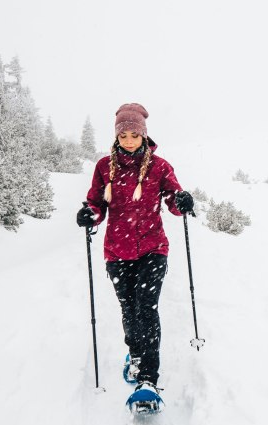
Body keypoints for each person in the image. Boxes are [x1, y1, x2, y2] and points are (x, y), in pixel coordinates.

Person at [76, 103, 194, 397]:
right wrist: (90, 214)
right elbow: (97, 203)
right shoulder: (105, 167)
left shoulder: (159, 167)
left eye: (134, 134)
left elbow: (172, 198)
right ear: (117, 136)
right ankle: (136, 353)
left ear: (143, 135)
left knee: (146, 308)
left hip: (153, 248)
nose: (129, 140)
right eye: (123, 134)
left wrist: (180, 200)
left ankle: (148, 378)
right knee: (129, 310)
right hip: (117, 252)